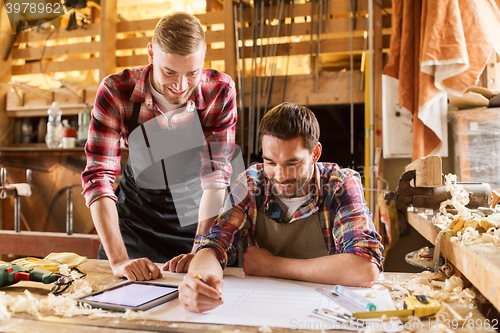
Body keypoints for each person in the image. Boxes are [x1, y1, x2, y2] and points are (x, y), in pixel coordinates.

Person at [176, 102, 384, 313]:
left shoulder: (340, 184)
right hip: (267, 308)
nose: (281, 176)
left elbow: (364, 269)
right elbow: (214, 244)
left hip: (326, 311)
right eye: (271, 163)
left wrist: (272, 265)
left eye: (292, 163)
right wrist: (199, 280)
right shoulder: (251, 183)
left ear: (315, 153)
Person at [81, 12, 237, 281]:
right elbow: (98, 177)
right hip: (136, 222)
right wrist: (119, 260)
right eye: (169, 72)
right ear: (151, 54)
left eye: (192, 73)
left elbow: (216, 177)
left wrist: (201, 249)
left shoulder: (220, 91)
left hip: (194, 218)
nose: (180, 86)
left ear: (204, 56)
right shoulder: (116, 91)